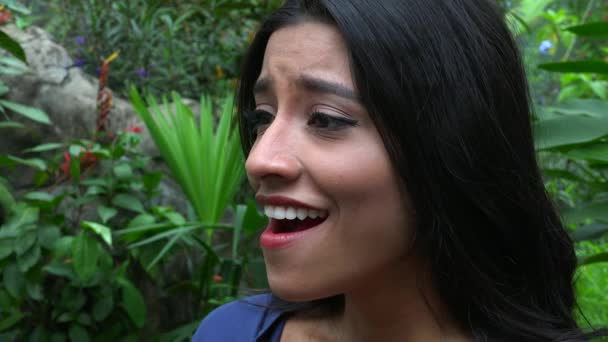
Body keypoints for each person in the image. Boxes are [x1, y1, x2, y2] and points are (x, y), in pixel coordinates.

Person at [193, 0, 607, 341]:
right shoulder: (230, 332)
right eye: (262, 116)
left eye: (325, 118)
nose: (260, 159)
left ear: (451, 144)